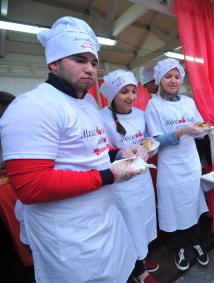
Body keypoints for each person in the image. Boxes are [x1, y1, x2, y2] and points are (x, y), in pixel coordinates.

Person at [0, 17, 148, 282]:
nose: (90, 68)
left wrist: (119, 154)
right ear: (54, 63)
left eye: (93, 61)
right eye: (79, 60)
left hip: (104, 219)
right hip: (68, 234)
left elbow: (91, 151)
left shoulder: (88, 101)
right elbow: (31, 186)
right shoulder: (32, 107)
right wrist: (109, 176)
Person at [145, 58, 209, 271]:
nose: (173, 80)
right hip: (170, 168)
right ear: (159, 79)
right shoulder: (153, 105)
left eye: (177, 76)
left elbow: (200, 125)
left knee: (193, 204)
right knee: (171, 209)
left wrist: (202, 130)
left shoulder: (189, 102)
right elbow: (154, 141)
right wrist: (180, 132)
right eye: (168, 76)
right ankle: (178, 248)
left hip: (190, 164)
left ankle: (196, 242)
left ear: (182, 79)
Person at [99, 70, 158, 283]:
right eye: (125, 92)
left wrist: (146, 147)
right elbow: (98, 151)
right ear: (112, 94)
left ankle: (141, 256)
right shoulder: (101, 118)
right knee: (129, 223)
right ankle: (138, 270)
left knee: (143, 218)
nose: (132, 96)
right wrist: (121, 152)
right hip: (121, 183)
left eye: (134, 91)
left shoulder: (141, 114)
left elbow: (151, 139)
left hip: (142, 178)